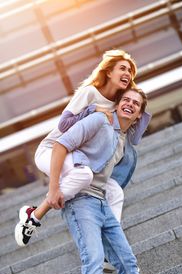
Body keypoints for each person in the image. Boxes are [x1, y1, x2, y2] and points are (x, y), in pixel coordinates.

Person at [48, 88, 162, 274]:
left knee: (127, 260)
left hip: (101, 200)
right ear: (116, 104)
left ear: (139, 114)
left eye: (135, 104)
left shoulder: (123, 139)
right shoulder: (99, 121)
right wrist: (54, 188)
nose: (130, 105)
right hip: (80, 202)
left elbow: (140, 126)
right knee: (94, 260)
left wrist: (136, 113)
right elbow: (60, 144)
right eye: (125, 100)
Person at [14, 49, 140, 250]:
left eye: (131, 72)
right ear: (108, 72)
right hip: (52, 150)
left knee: (115, 191)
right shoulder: (90, 93)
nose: (128, 74)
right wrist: (93, 109)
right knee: (83, 176)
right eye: (123, 68)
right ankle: (34, 214)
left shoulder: (118, 104)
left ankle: (110, 247)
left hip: (79, 158)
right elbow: (64, 125)